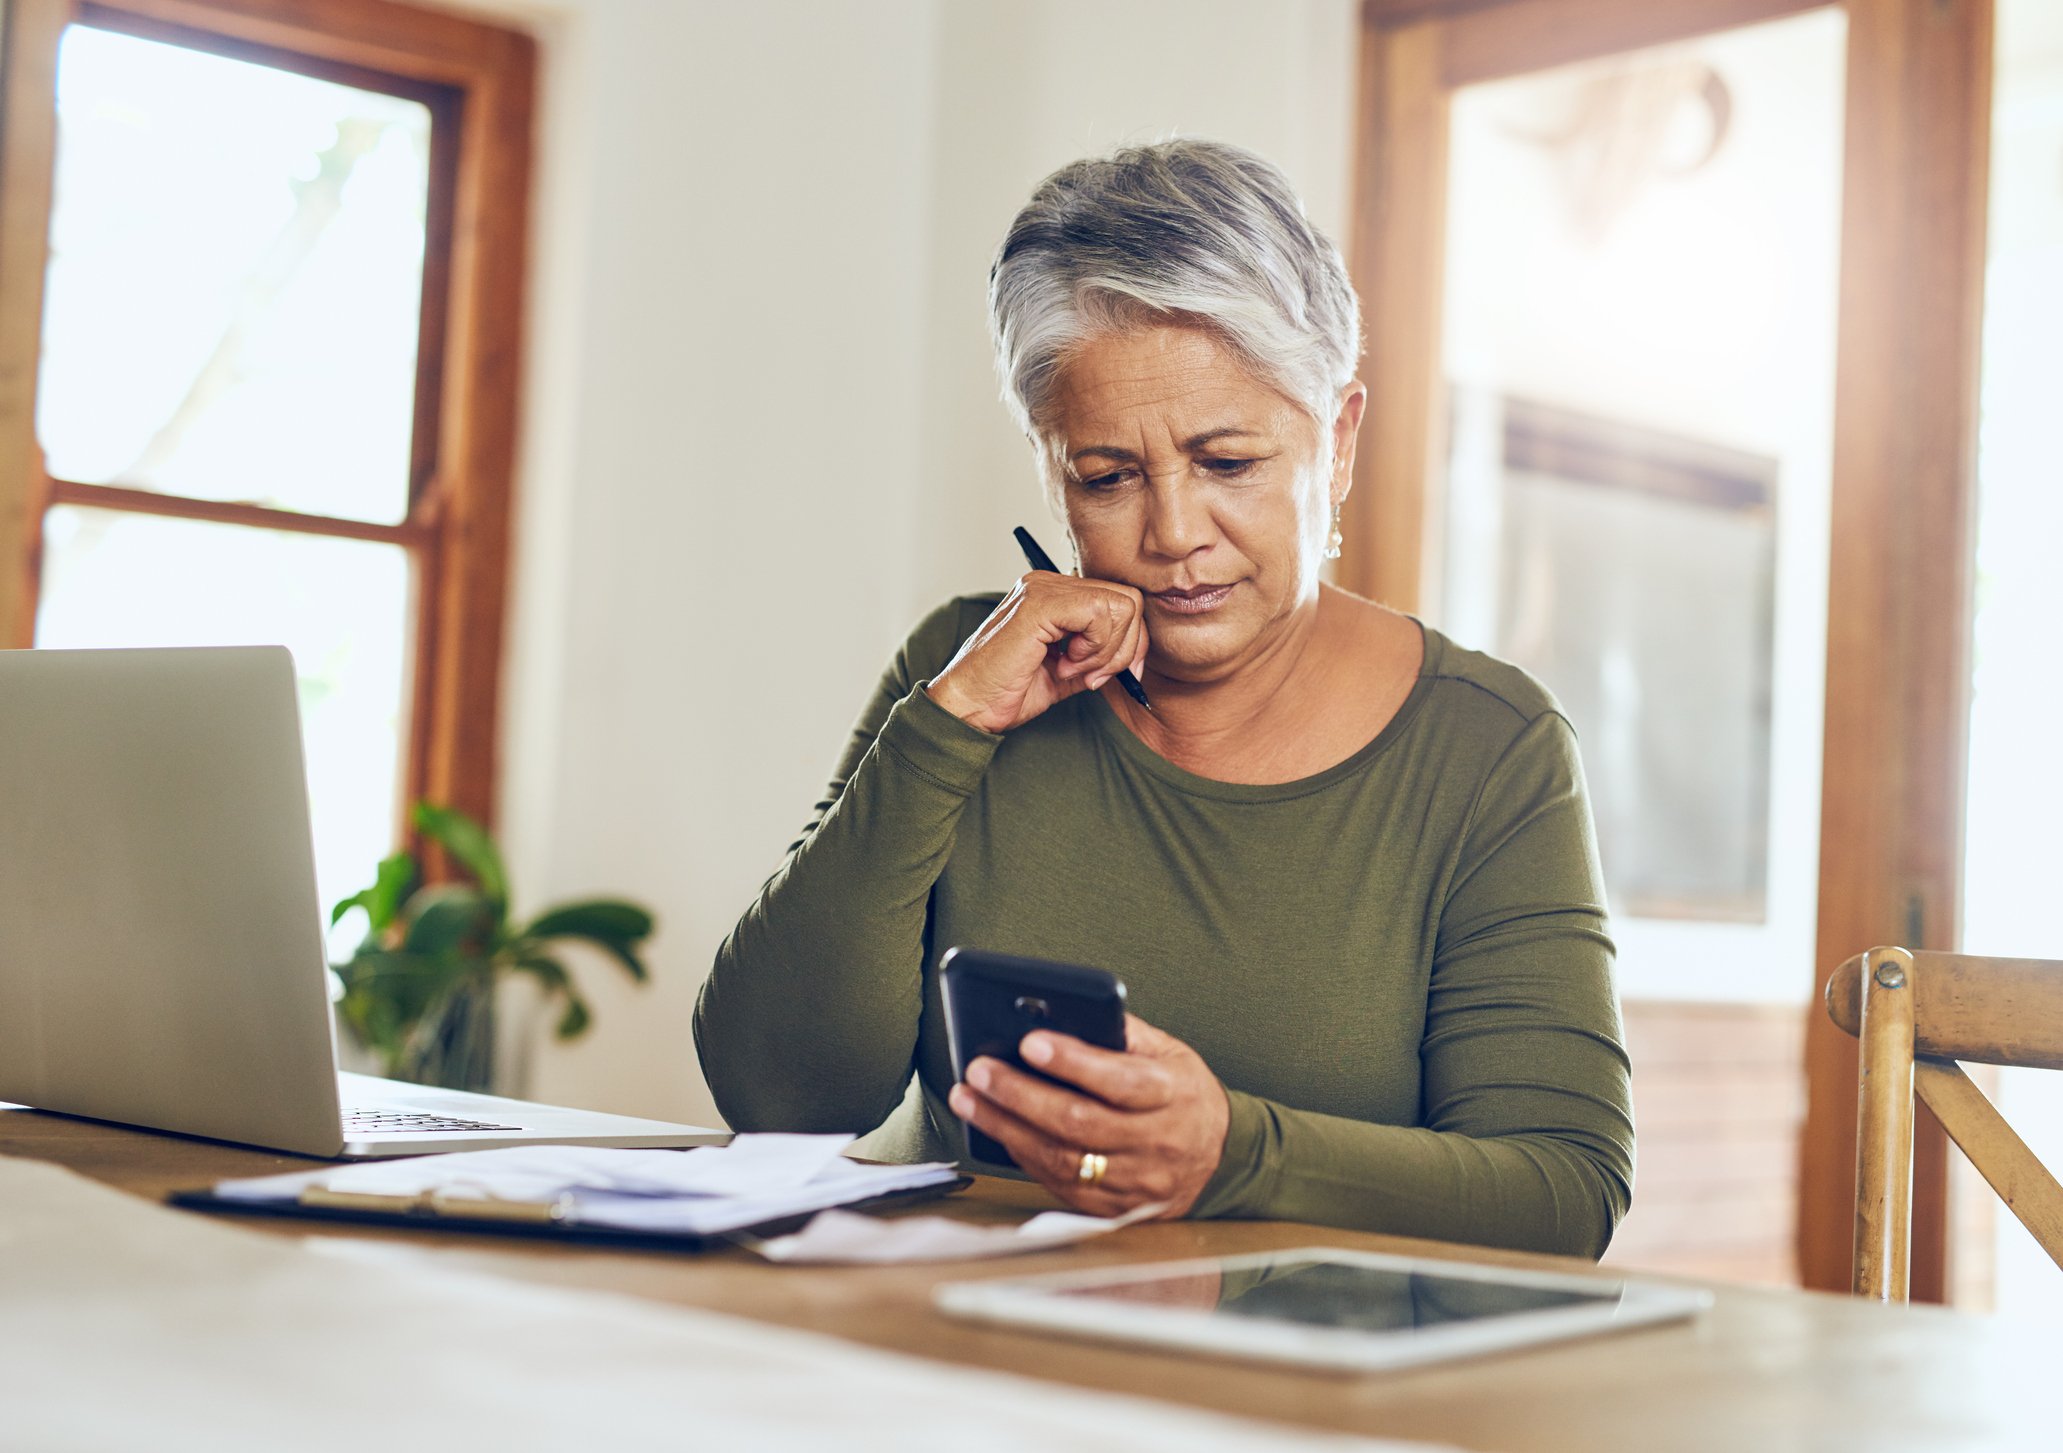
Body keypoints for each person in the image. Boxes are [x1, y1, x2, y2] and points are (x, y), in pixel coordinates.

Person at [694, 139, 1633, 1258]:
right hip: (951, 1353)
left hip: (1292, 1400)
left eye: (1226, 462)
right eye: (1106, 476)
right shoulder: (961, 666)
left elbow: (1561, 1192)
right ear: (1050, 471)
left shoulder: (1488, 747)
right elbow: (776, 1094)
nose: (1172, 534)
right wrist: (943, 732)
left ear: (1334, 443)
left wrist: (1233, 1154)